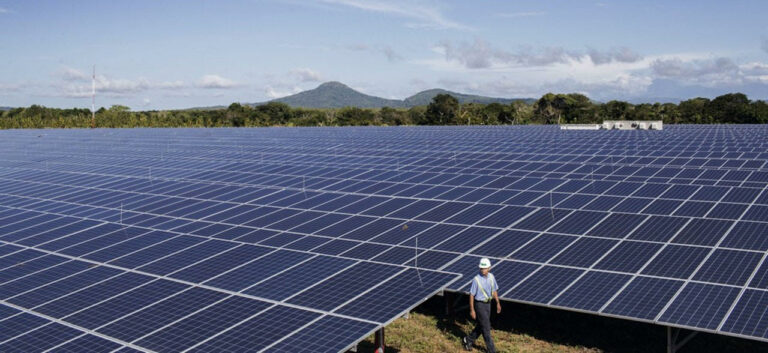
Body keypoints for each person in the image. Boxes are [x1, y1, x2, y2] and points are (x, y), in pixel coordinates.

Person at [462, 257, 500, 352]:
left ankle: (468, 339)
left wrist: (498, 303)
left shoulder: (492, 277)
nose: (483, 270)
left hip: (488, 304)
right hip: (479, 305)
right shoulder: (476, 279)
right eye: (481, 268)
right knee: (486, 328)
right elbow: (471, 295)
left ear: (489, 268)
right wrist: (472, 310)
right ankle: (492, 351)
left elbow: (494, 290)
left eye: (485, 268)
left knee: (482, 325)